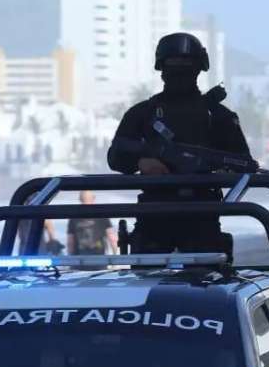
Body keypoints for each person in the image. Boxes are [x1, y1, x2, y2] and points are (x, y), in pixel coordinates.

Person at [107, 32, 251, 255]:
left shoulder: (218, 116)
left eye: (186, 64)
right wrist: (142, 161)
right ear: (162, 68)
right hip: (155, 212)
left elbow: (242, 164)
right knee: (146, 283)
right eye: (174, 63)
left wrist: (216, 169)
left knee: (206, 283)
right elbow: (116, 156)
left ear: (197, 68)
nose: (179, 70)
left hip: (202, 213)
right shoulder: (143, 113)